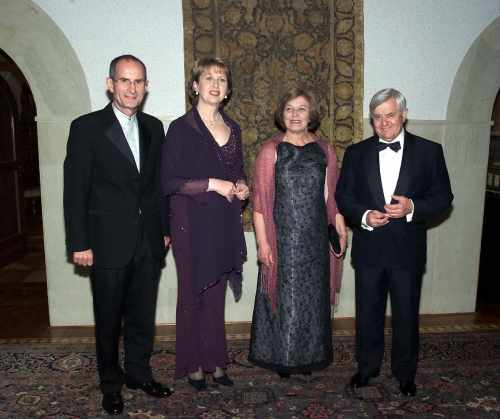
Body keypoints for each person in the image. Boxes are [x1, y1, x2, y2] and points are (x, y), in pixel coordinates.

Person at [63, 55, 172, 415]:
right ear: (110, 84)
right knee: (109, 320)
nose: (132, 88)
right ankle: (111, 385)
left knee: (142, 317)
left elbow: (157, 186)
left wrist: (164, 230)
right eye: (125, 80)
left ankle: (139, 374)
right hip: (106, 242)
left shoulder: (154, 128)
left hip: (148, 242)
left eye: (138, 81)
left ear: (146, 86)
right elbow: (75, 190)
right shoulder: (86, 128)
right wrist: (79, 242)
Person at [335, 88, 453, 396]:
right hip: (369, 249)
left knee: (406, 315)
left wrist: (412, 207)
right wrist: (364, 215)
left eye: (390, 115)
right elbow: (343, 196)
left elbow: (443, 198)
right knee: (367, 314)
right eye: (377, 117)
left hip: (407, 251)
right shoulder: (356, 153)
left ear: (404, 115)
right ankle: (366, 368)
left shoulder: (430, 151)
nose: (384, 122)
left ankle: (405, 374)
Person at [161, 57, 247, 391]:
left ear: (228, 90)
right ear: (195, 86)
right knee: (192, 294)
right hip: (190, 225)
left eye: (222, 79)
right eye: (208, 78)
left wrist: (241, 186)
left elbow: (237, 172)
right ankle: (193, 365)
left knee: (216, 296)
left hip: (222, 223)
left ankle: (217, 363)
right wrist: (212, 184)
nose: (215, 84)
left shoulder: (234, 128)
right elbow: (169, 182)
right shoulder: (180, 129)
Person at [248, 87, 347, 377]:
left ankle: (309, 358)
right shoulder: (271, 150)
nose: (295, 115)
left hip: (315, 240)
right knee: (287, 300)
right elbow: (260, 203)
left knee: (313, 301)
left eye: (301, 109)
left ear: (311, 114)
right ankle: (285, 359)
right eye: (289, 109)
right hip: (283, 240)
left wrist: (340, 229)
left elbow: (332, 197)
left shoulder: (325, 150)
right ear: (282, 114)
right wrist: (263, 243)